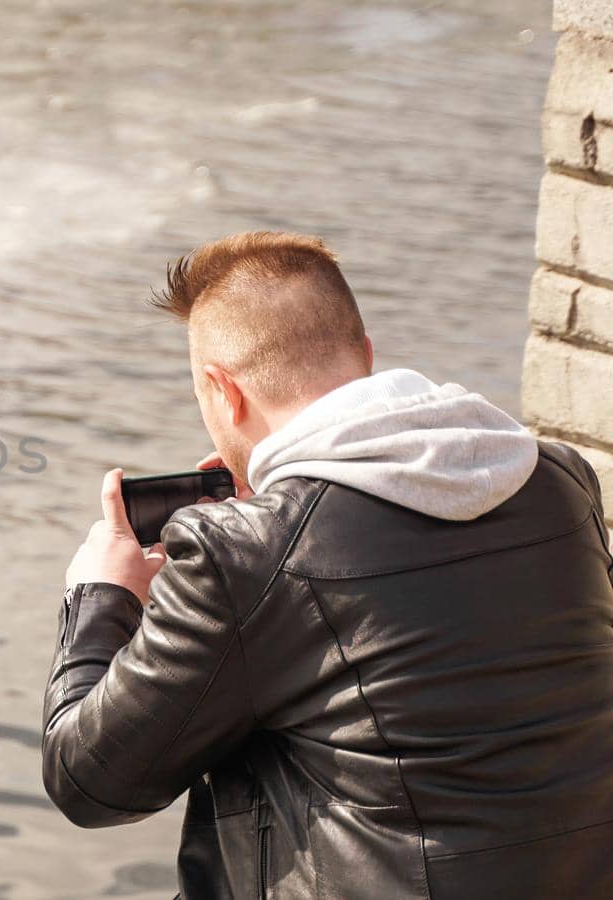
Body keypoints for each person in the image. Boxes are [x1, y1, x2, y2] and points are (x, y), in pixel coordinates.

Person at [43, 231, 613, 898]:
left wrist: (101, 596)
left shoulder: (242, 552)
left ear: (223, 391)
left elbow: (88, 780)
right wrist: (277, 518)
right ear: (365, 357)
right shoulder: (556, 482)